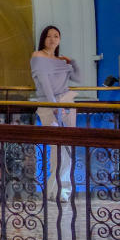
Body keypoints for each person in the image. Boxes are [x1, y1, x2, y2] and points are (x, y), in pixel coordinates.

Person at [30, 25, 80, 201]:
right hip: (49, 105)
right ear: (43, 38)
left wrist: (71, 62)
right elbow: (44, 82)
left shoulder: (60, 61)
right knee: (56, 147)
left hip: (67, 102)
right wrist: (54, 105)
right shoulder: (38, 56)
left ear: (60, 39)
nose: (52, 39)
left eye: (56, 36)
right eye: (49, 36)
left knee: (68, 148)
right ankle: (56, 189)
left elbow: (78, 78)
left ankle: (62, 189)